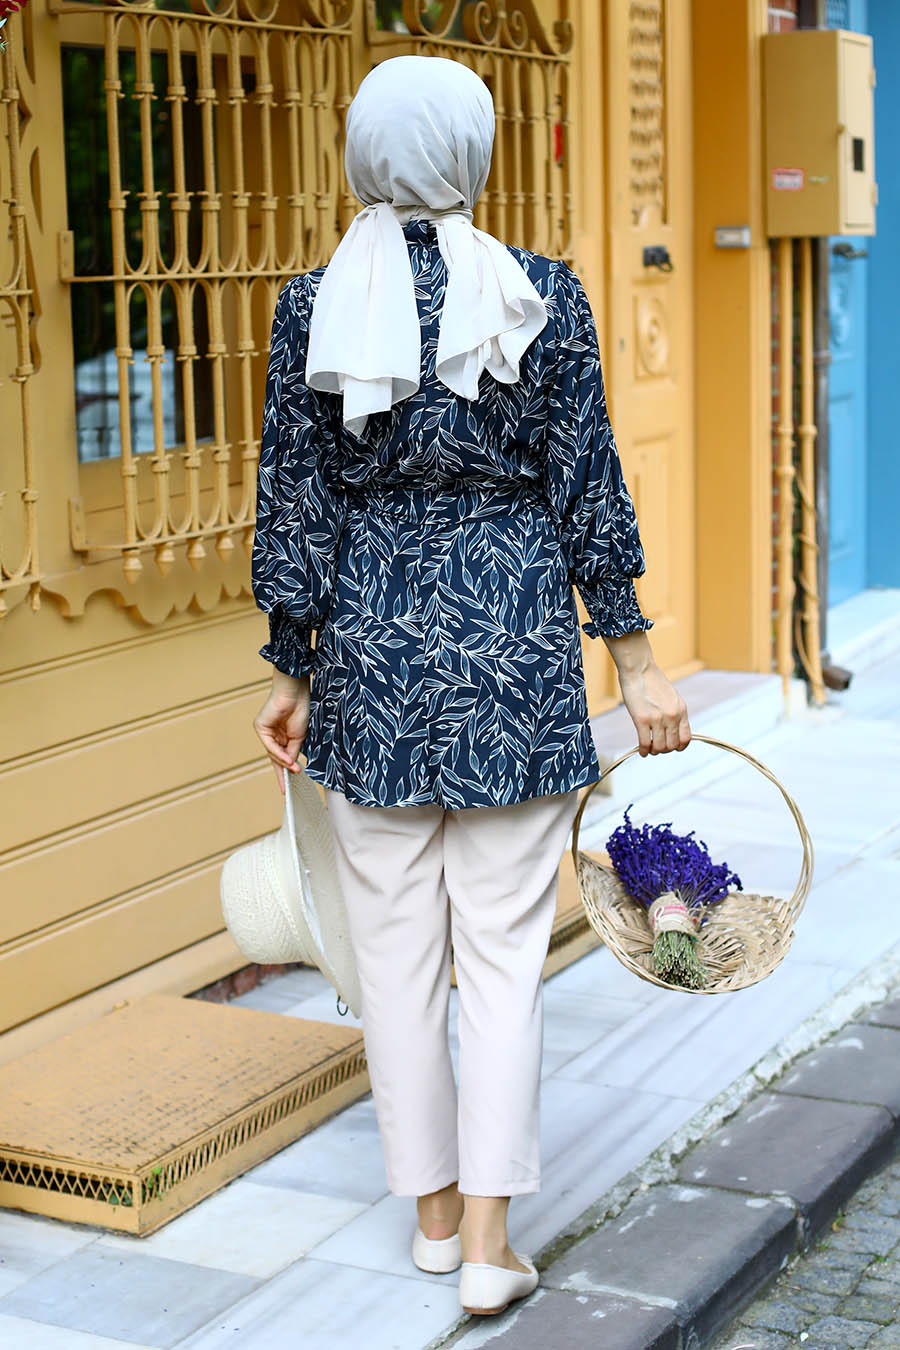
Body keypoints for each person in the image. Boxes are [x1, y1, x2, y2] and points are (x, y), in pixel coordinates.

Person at [251, 54, 691, 1317]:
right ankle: (493, 1244)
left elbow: (297, 502)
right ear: (477, 152)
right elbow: (587, 483)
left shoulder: (312, 307)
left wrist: (294, 667)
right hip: (513, 649)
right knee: (501, 955)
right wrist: (640, 659)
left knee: (391, 959)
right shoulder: (538, 293)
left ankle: (435, 1224)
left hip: (375, 658)